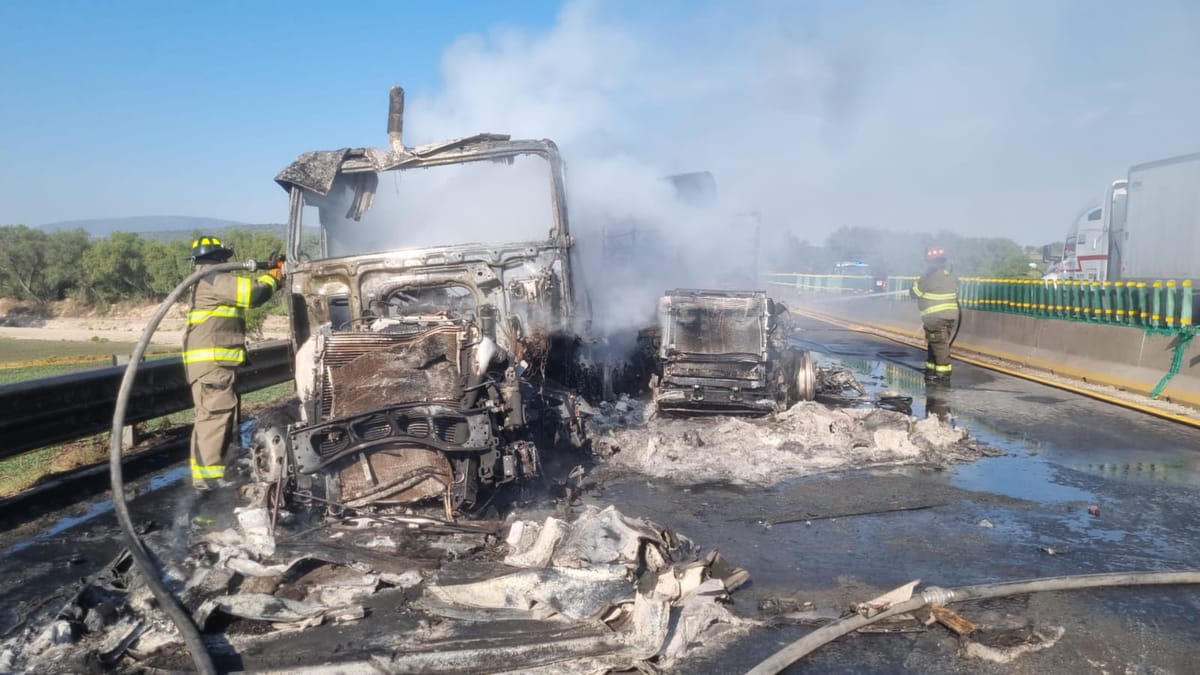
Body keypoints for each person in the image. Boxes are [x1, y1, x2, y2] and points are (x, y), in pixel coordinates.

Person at [184, 236, 282, 490]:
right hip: (212, 366)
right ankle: (207, 480)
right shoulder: (213, 278)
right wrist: (275, 276)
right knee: (214, 417)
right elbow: (252, 294)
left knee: (214, 418)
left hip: (213, 366)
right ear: (218, 257)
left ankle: (212, 474)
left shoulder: (205, 279)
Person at [910, 248, 959, 384]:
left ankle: (943, 375)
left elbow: (914, 293)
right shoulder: (951, 276)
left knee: (939, 345)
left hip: (935, 317)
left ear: (930, 263)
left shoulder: (929, 277)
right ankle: (931, 370)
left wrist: (915, 285)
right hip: (950, 316)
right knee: (935, 343)